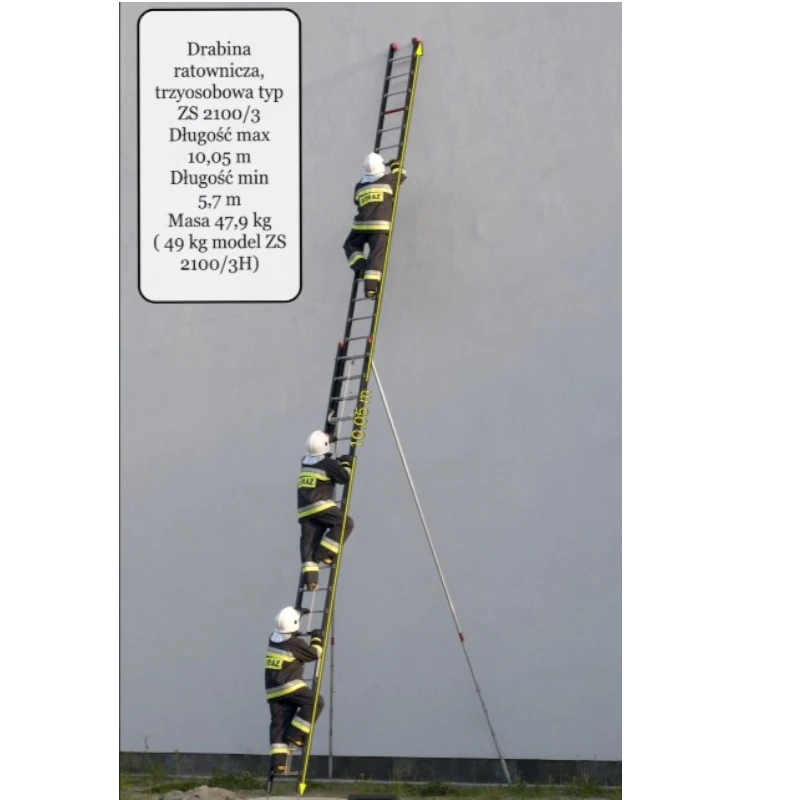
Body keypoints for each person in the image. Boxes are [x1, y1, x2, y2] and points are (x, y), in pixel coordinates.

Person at [265, 606, 326, 775]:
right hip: (290, 686)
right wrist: (317, 638)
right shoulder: (295, 643)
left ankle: (278, 763)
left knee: (279, 724)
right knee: (316, 702)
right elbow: (315, 654)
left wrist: (298, 614)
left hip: (273, 691)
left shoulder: (273, 638)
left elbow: (286, 626)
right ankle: (296, 734)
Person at [342, 151, 408, 299]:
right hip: (380, 226)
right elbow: (402, 174)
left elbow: (356, 201)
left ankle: (360, 267)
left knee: (350, 245)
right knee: (376, 254)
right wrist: (394, 164)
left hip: (360, 225)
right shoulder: (388, 181)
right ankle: (371, 289)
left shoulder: (359, 187)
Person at [297, 430, 354, 591]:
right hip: (320, 506)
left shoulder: (305, 461)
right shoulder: (328, 464)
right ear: (325, 446)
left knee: (309, 544)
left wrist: (328, 437)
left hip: (304, 510)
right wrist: (346, 463)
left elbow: (317, 446)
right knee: (345, 523)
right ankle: (325, 554)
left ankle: (311, 581)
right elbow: (344, 477)